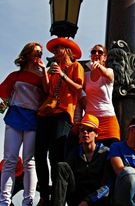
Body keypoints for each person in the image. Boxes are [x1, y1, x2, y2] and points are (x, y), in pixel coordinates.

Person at [35, 37, 84, 206]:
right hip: (46, 113)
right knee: (39, 153)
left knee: (55, 156)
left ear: (66, 50)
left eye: (58, 49)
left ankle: (58, 198)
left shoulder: (76, 66)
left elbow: (78, 88)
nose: (54, 52)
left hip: (63, 113)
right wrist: (44, 72)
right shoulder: (53, 68)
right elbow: (48, 89)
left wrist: (63, 75)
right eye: (54, 49)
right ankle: (43, 194)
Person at [0, 42, 49, 206]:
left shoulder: (42, 76)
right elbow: (4, 95)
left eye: (40, 54)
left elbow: (49, 92)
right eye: (36, 53)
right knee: (9, 160)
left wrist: (44, 73)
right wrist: (3, 103)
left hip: (33, 119)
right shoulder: (15, 76)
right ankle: (4, 201)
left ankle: (27, 202)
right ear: (27, 54)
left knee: (29, 161)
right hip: (14, 117)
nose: (38, 56)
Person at [51, 113, 112, 206]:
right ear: (79, 134)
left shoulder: (106, 153)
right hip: (77, 198)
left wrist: (88, 200)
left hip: (97, 199)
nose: (85, 132)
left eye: (89, 130)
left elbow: (107, 185)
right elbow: (66, 180)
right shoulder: (74, 153)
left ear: (96, 133)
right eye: (82, 130)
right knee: (61, 166)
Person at [84, 44, 120, 147]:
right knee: (89, 152)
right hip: (90, 119)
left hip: (108, 118)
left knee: (112, 152)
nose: (96, 54)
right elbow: (78, 89)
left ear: (105, 57)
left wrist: (98, 66)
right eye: (93, 52)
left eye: (100, 52)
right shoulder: (86, 76)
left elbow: (107, 74)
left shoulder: (109, 71)